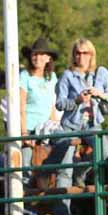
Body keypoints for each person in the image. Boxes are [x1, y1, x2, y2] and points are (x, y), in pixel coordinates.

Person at [49, 38, 108, 215]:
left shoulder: (101, 73)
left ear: (91, 55)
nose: (81, 56)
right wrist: (77, 101)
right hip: (70, 125)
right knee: (64, 168)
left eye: (85, 53)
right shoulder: (67, 75)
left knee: (103, 151)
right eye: (78, 53)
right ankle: (62, 214)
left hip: (92, 124)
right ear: (73, 56)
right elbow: (59, 104)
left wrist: (100, 94)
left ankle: (80, 173)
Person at [19, 37, 60, 187]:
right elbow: (20, 106)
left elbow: (52, 105)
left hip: (46, 131)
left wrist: (55, 125)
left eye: (42, 54)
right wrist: (23, 133)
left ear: (48, 58)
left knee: (48, 171)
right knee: (26, 170)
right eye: (35, 54)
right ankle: (26, 209)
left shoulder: (52, 77)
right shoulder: (24, 76)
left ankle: (47, 204)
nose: (38, 58)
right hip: (29, 130)